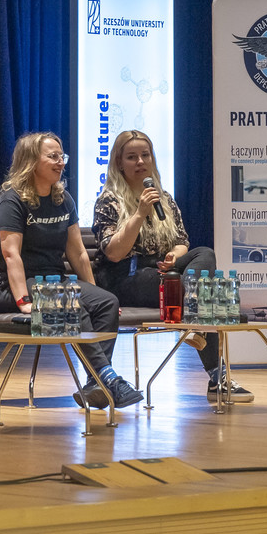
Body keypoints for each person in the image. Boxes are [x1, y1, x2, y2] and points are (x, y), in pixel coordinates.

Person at [91, 130, 252, 402]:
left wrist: (173, 258)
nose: (140, 161)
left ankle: (196, 323)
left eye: (145, 155)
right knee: (203, 298)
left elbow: (181, 242)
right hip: (125, 277)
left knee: (205, 253)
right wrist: (140, 213)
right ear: (119, 163)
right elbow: (114, 253)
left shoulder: (163, 198)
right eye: (132, 157)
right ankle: (216, 373)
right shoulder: (109, 200)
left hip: (164, 274)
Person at [0, 132, 142, 409]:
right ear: (31, 161)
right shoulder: (12, 201)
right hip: (18, 286)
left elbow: (78, 253)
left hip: (55, 283)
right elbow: (11, 255)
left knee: (107, 302)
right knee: (70, 302)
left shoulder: (63, 199)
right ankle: (108, 377)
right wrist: (24, 301)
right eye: (53, 157)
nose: (61, 162)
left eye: (62, 156)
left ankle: (95, 382)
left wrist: (95, 291)